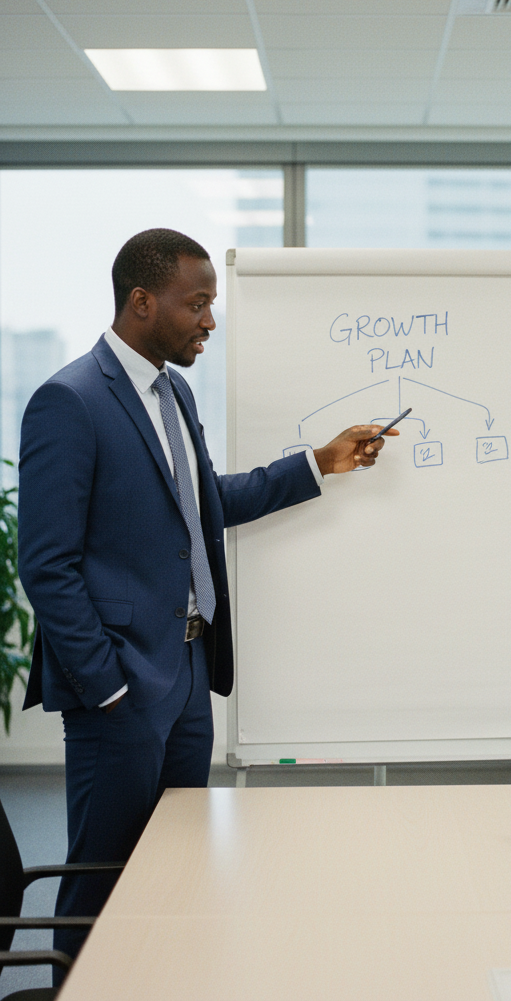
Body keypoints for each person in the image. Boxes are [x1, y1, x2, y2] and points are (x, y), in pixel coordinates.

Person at [18, 228, 399, 972]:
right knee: (102, 880)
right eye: (197, 304)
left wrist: (318, 464)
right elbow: (47, 565)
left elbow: (201, 505)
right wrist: (107, 686)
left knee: (177, 872)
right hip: (122, 690)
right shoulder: (68, 401)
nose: (209, 322)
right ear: (141, 301)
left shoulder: (174, 393)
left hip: (191, 675)